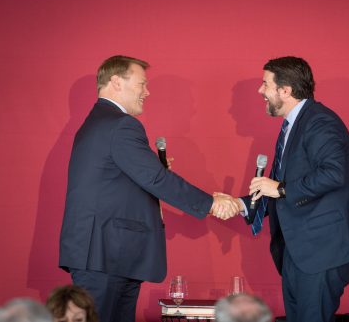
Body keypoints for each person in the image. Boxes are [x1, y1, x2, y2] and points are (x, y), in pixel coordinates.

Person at [59, 55, 240, 322]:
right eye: (142, 84)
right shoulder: (120, 125)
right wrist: (212, 203)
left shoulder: (101, 122)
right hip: (104, 255)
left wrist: (155, 173)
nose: (147, 91)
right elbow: (155, 179)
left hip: (110, 255)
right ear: (116, 82)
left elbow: (134, 179)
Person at [239, 56, 349, 322]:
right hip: (300, 252)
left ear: (285, 90)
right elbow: (279, 189)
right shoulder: (295, 124)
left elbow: (335, 173)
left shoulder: (320, 121)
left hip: (321, 252)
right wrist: (241, 204)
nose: (260, 91)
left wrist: (281, 188)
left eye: (265, 84)